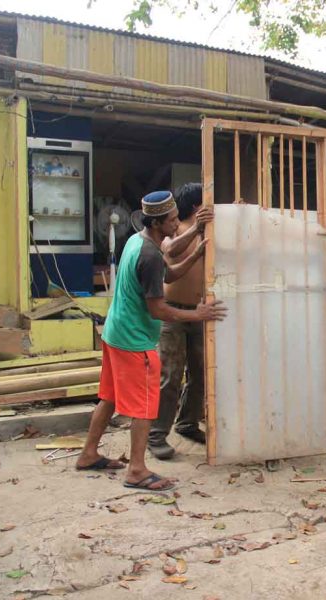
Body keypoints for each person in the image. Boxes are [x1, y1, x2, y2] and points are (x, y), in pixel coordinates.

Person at [76, 191, 227, 490]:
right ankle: (137, 470)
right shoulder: (148, 255)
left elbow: (168, 276)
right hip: (134, 340)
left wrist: (196, 254)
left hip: (114, 333)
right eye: (171, 220)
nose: (176, 224)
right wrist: (199, 315)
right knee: (145, 406)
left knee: (109, 397)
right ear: (157, 222)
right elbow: (158, 308)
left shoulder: (138, 240)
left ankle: (88, 454)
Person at [149, 183, 212, 459]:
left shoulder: (211, 229)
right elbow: (171, 251)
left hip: (198, 311)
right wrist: (196, 229)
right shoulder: (175, 228)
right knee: (170, 375)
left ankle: (187, 422)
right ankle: (155, 435)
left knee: (201, 371)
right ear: (197, 205)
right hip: (172, 314)